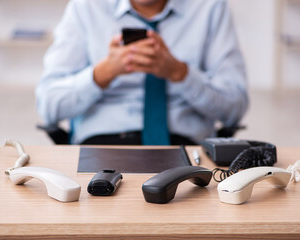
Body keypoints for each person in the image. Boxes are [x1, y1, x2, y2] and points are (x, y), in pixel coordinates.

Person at [36, 0, 249, 145]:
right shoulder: (86, 7)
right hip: (100, 146)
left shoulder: (209, 7)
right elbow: (48, 105)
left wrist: (180, 73)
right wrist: (103, 73)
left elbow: (235, 106)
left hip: (185, 147)